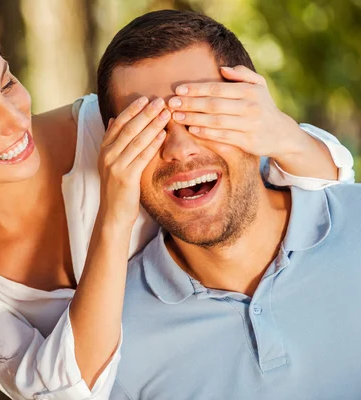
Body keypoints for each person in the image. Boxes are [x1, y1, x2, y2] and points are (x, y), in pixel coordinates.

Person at [0, 3, 355, 399]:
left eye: (7, 83)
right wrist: (115, 212)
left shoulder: (107, 124)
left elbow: (314, 183)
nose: (18, 123)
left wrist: (281, 134)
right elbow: (63, 393)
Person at [93, 10, 361, 400]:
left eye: (202, 114)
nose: (180, 149)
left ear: (256, 114)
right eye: (146, 129)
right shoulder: (111, 342)